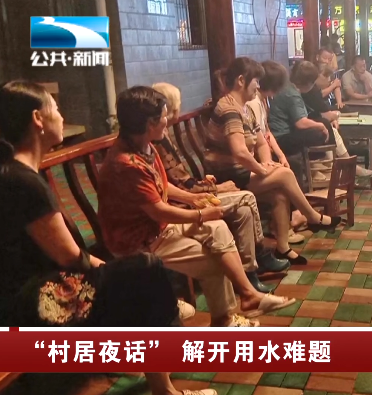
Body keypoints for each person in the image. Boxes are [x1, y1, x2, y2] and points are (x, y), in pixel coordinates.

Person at [0, 81, 215, 395]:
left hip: (44, 287)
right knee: (146, 272)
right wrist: (113, 272)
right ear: (38, 119)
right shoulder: (21, 181)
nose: (62, 116)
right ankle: (165, 377)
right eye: (56, 108)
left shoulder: (18, 174)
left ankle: (162, 350)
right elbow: (69, 256)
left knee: (143, 274)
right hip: (33, 302)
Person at [97, 85, 297, 327]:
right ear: (150, 123)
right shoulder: (126, 163)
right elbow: (158, 211)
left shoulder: (143, 145)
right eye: (164, 116)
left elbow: (160, 185)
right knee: (215, 262)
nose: (168, 120)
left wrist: (192, 200)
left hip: (157, 227)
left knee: (218, 228)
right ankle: (225, 318)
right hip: (139, 240)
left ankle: (247, 296)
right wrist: (201, 214)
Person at [151, 82, 290, 293]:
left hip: (189, 193)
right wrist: (213, 189)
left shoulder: (161, 135)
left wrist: (207, 186)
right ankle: (258, 260)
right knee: (249, 197)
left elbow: (176, 180)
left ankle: (250, 271)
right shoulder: (155, 141)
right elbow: (175, 185)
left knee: (246, 209)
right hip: (179, 205)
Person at [205, 57, 342, 265]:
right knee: (285, 174)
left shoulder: (243, 107)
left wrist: (268, 163)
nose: (258, 86)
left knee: (280, 192)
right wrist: (262, 170)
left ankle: (283, 248)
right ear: (241, 81)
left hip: (241, 172)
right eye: (255, 81)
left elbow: (262, 141)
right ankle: (313, 217)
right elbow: (240, 152)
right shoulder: (229, 109)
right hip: (228, 178)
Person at [246, 60, 309, 241]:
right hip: (254, 161)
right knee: (290, 169)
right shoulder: (254, 103)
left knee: (291, 161)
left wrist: (280, 155)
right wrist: (268, 162)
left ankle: (294, 217)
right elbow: (258, 140)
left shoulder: (263, 100)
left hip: (262, 155)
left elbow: (266, 132)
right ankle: (299, 216)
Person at [293, 61, 372, 180]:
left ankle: (339, 169)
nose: (329, 79)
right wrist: (328, 120)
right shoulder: (304, 92)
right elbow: (302, 121)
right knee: (329, 127)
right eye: (325, 76)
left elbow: (323, 109)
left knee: (331, 127)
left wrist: (332, 114)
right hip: (295, 132)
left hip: (309, 125)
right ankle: (341, 169)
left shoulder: (308, 90)